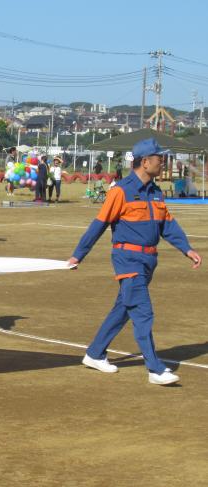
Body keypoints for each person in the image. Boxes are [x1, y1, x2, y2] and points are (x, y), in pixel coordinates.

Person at [68, 138, 202, 386]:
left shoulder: (156, 191)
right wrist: (79, 254)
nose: (163, 162)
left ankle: (95, 353)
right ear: (145, 161)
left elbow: (167, 225)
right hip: (128, 260)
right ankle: (155, 369)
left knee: (123, 309)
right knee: (142, 311)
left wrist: (187, 248)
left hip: (149, 260)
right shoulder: (120, 191)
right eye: (159, 158)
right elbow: (99, 224)